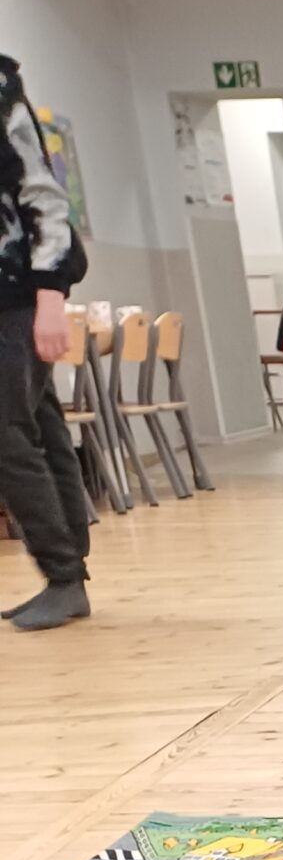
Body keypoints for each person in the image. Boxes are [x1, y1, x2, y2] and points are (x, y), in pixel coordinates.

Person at [0, 54, 89, 632]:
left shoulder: (1, 94)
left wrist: (51, 295)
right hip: (13, 299)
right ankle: (69, 570)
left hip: (18, 294)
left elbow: (42, 193)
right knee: (41, 427)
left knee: (8, 435)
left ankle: (62, 575)